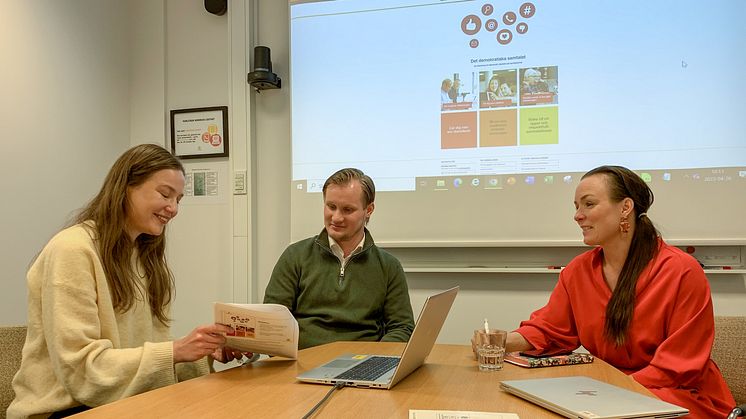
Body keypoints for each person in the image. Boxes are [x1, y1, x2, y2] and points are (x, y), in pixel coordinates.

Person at [8, 144, 248, 419]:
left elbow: (141, 357)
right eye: (165, 194)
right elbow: (82, 371)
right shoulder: (72, 250)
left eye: (179, 199)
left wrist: (201, 352)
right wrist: (176, 351)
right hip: (66, 410)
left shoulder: (142, 257)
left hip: (123, 404)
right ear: (125, 187)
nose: (173, 208)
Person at [505, 165, 736, 418]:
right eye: (576, 207)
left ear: (626, 207)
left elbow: (677, 367)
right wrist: (501, 342)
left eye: (588, 204)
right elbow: (551, 330)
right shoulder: (578, 271)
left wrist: (607, 390)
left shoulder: (682, 270)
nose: (578, 216)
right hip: (609, 391)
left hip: (677, 394)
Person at [264, 168, 415, 349]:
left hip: (362, 365)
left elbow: (402, 328)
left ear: (369, 210)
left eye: (347, 209)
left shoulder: (389, 266)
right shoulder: (295, 256)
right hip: (302, 364)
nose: (336, 217)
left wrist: (375, 359)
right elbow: (272, 322)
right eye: (331, 207)